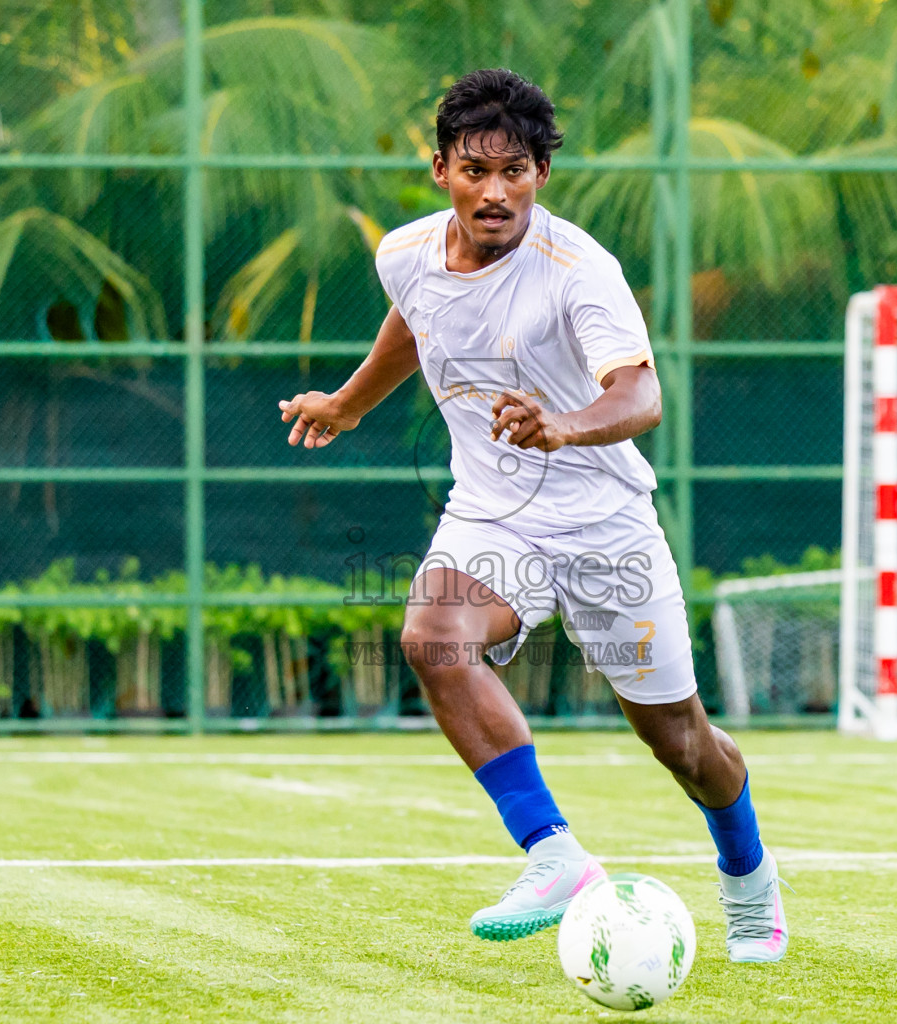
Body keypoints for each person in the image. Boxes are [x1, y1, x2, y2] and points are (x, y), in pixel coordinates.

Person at [278, 68, 786, 963]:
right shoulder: (404, 252)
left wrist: (564, 426)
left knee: (680, 740)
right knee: (433, 636)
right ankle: (554, 853)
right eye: (477, 170)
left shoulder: (579, 270)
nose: (496, 191)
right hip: (492, 515)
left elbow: (640, 393)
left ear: (541, 176)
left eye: (516, 170)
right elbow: (417, 318)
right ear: (441, 170)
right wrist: (350, 404)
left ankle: (748, 877)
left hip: (606, 529)